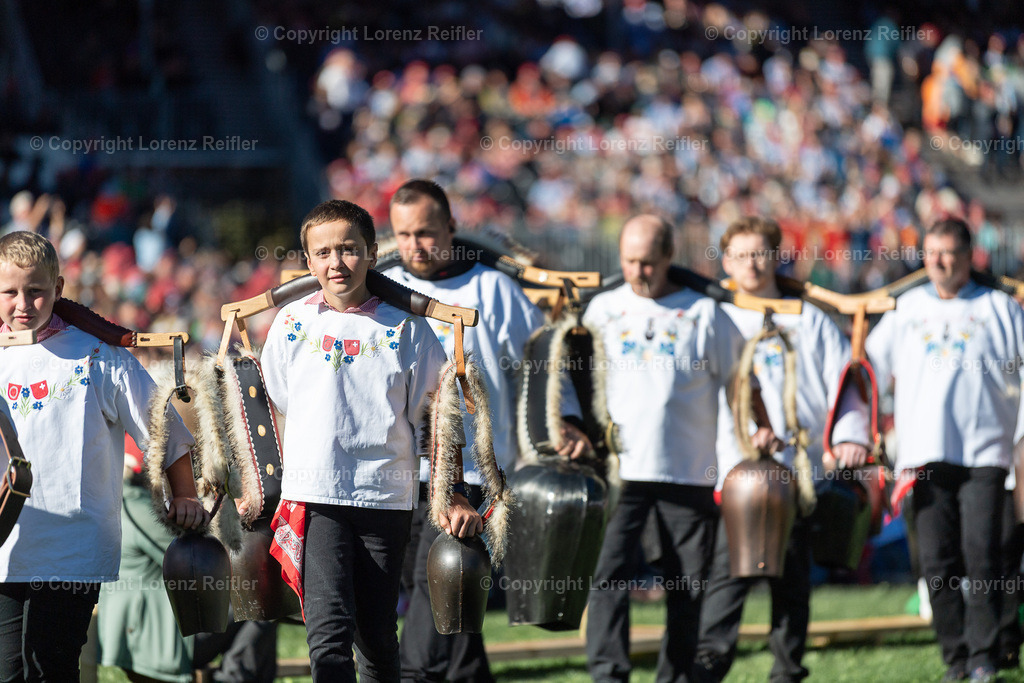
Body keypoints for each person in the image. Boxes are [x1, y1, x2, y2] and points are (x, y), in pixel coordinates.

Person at [261, 199, 479, 683]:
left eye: (348, 249)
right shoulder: (291, 323)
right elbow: (280, 398)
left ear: (373, 253)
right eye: (322, 253)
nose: (336, 263)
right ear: (309, 259)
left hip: (385, 495)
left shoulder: (407, 326)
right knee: (328, 633)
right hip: (315, 496)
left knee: (377, 635)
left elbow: (438, 416)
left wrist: (454, 492)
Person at [383, 179, 590, 683]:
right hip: (393, 470)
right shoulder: (382, 288)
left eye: (427, 232)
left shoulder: (493, 288)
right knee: (454, 599)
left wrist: (564, 420)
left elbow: (541, 363)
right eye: (404, 234)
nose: (415, 245)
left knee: (437, 588)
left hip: (473, 472)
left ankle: (412, 676)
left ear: (451, 227)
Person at [0, 230, 208, 680]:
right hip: (5, 545)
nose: (23, 303)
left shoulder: (98, 354)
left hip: (73, 547)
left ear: (58, 289)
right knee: (8, 672)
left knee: (51, 669)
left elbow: (163, 428)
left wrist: (186, 495)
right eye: (10, 292)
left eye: (36, 291)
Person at [582, 214, 777, 683]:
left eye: (648, 262)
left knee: (686, 587)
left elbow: (741, 379)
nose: (638, 272)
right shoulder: (602, 310)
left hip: (688, 473)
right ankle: (609, 674)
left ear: (669, 257)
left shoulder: (705, 312)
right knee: (607, 578)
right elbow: (572, 378)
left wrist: (762, 427)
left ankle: (677, 677)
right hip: (619, 472)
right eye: (629, 261)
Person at [694, 216, 870, 683]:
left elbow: (847, 383)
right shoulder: (716, 313)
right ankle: (711, 662)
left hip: (798, 469)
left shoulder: (808, 316)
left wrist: (850, 435)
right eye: (738, 255)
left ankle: (788, 669)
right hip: (734, 469)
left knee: (791, 577)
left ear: (775, 256)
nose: (750, 264)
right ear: (725, 260)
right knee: (730, 574)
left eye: (759, 253)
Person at [866, 218, 1024, 683]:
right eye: (930, 252)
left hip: (984, 454)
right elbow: (865, 370)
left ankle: (984, 655)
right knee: (936, 560)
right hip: (923, 455)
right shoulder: (906, 308)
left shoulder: (1001, 306)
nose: (938, 261)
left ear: (969, 254)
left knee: (984, 556)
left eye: (948, 252)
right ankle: (954, 656)